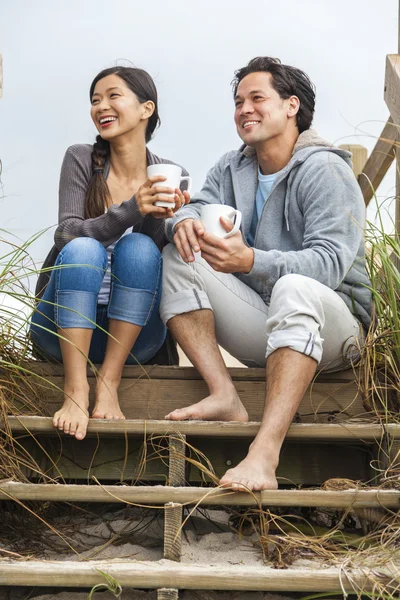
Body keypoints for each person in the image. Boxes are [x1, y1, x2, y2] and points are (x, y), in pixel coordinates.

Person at [159, 57, 372, 491]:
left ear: (292, 106)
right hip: (268, 323)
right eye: (238, 101)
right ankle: (224, 395)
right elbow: (198, 205)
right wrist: (182, 222)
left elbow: (329, 264)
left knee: (295, 286)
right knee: (177, 255)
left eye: (257, 98)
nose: (244, 109)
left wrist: (250, 260)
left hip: (336, 330)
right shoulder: (232, 166)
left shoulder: (326, 169)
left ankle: (264, 454)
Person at [30, 66, 190, 441]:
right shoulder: (82, 158)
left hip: (134, 339)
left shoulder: (171, 172)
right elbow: (66, 232)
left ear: (146, 108)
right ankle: (75, 389)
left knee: (140, 247)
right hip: (62, 330)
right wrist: (134, 208)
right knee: (83, 247)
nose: (101, 106)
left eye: (113, 95)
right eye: (95, 99)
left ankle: (109, 382)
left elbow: (151, 258)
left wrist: (162, 220)